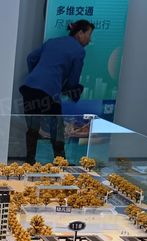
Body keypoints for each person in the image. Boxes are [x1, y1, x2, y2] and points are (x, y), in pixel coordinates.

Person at [20, 19, 94, 164]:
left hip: (29, 88)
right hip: (49, 91)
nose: (89, 39)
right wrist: (74, 90)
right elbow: (73, 81)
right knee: (57, 126)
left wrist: (36, 76)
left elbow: (31, 58)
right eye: (89, 35)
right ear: (80, 33)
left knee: (33, 128)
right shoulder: (79, 51)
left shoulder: (52, 42)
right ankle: (61, 162)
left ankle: (30, 162)